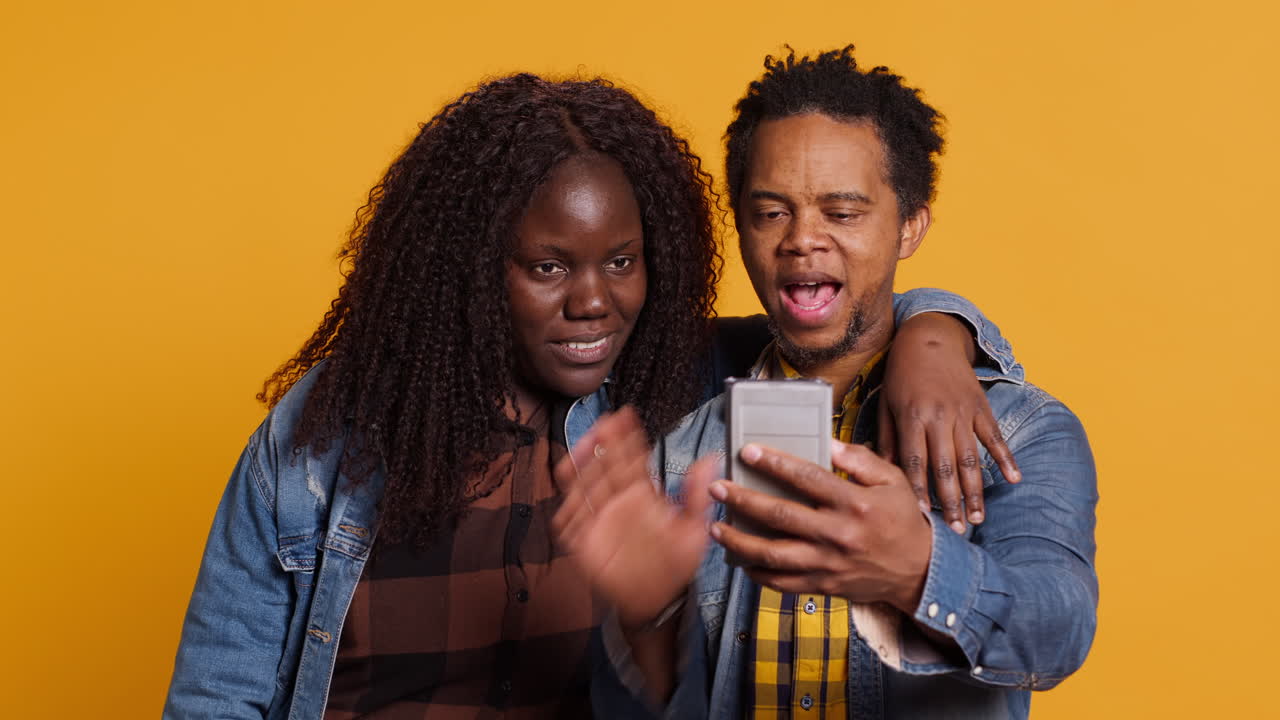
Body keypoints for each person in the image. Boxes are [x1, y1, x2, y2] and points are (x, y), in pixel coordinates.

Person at [163, 71, 1023, 719]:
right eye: (547, 267)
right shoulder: (331, 438)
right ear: (467, 270)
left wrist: (936, 334)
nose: (593, 301)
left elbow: (828, 316)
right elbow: (216, 695)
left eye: (621, 261)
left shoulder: (676, 391)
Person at [557, 47, 1098, 720]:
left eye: (842, 213)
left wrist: (917, 571)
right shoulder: (673, 420)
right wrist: (648, 619)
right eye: (771, 212)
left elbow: (1060, 629)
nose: (802, 239)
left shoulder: (1018, 427)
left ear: (909, 226)